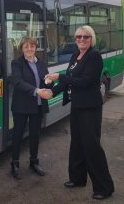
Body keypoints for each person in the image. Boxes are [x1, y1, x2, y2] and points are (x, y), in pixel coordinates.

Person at [46, 25, 114, 200]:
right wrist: (52, 91)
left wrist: (59, 77)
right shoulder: (75, 56)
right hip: (76, 105)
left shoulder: (94, 56)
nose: (81, 40)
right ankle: (77, 178)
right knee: (77, 143)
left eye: (85, 37)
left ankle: (104, 187)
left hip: (90, 107)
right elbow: (70, 80)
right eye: (78, 37)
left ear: (91, 39)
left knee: (91, 145)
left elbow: (84, 81)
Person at [10, 37, 52, 180]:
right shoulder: (16, 63)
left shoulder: (41, 63)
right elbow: (17, 82)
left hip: (38, 105)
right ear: (22, 48)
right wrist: (37, 90)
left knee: (35, 135)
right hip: (21, 106)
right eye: (26, 46)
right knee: (17, 135)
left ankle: (34, 162)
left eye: (32, 46)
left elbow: (45, 82)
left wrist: (48, 83)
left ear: (35, 47)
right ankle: (14, 164)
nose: (29, 49)